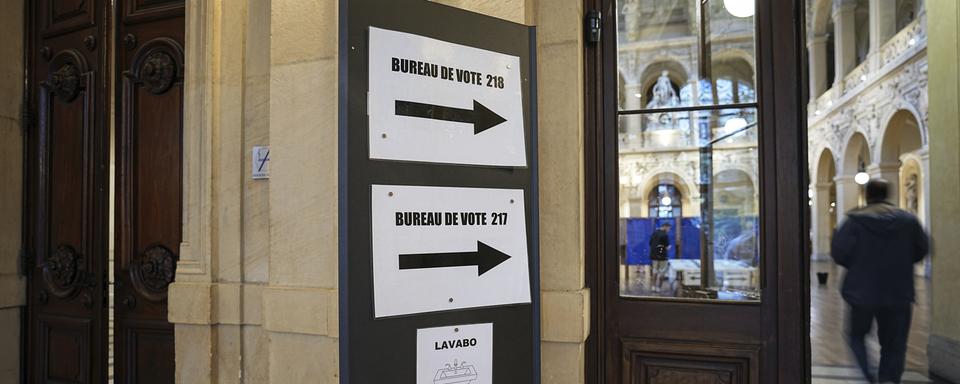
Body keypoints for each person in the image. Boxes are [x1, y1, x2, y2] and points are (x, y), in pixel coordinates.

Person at [831, 179, 929, 383]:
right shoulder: (908, 220)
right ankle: (889, 379)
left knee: (856, 336)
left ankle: (868, 376)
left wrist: (859, 264)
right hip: (899, 291)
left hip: (861, 291)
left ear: (867, 195)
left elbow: (839, 253)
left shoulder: (854, 221)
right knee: (895, 343)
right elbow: (921, 249)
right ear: (887, 194)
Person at [648, 222, 672, 293]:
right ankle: (659, 288)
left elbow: (650, 243)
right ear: (665, 227)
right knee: (662, 272)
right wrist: (668, 247)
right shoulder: (665, 235)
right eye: (669, 228)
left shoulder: (654, 233)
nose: (669, 230)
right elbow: (667, 247)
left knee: (654, 271)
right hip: (663, 256)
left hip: (654, 256)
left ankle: (653, 287)